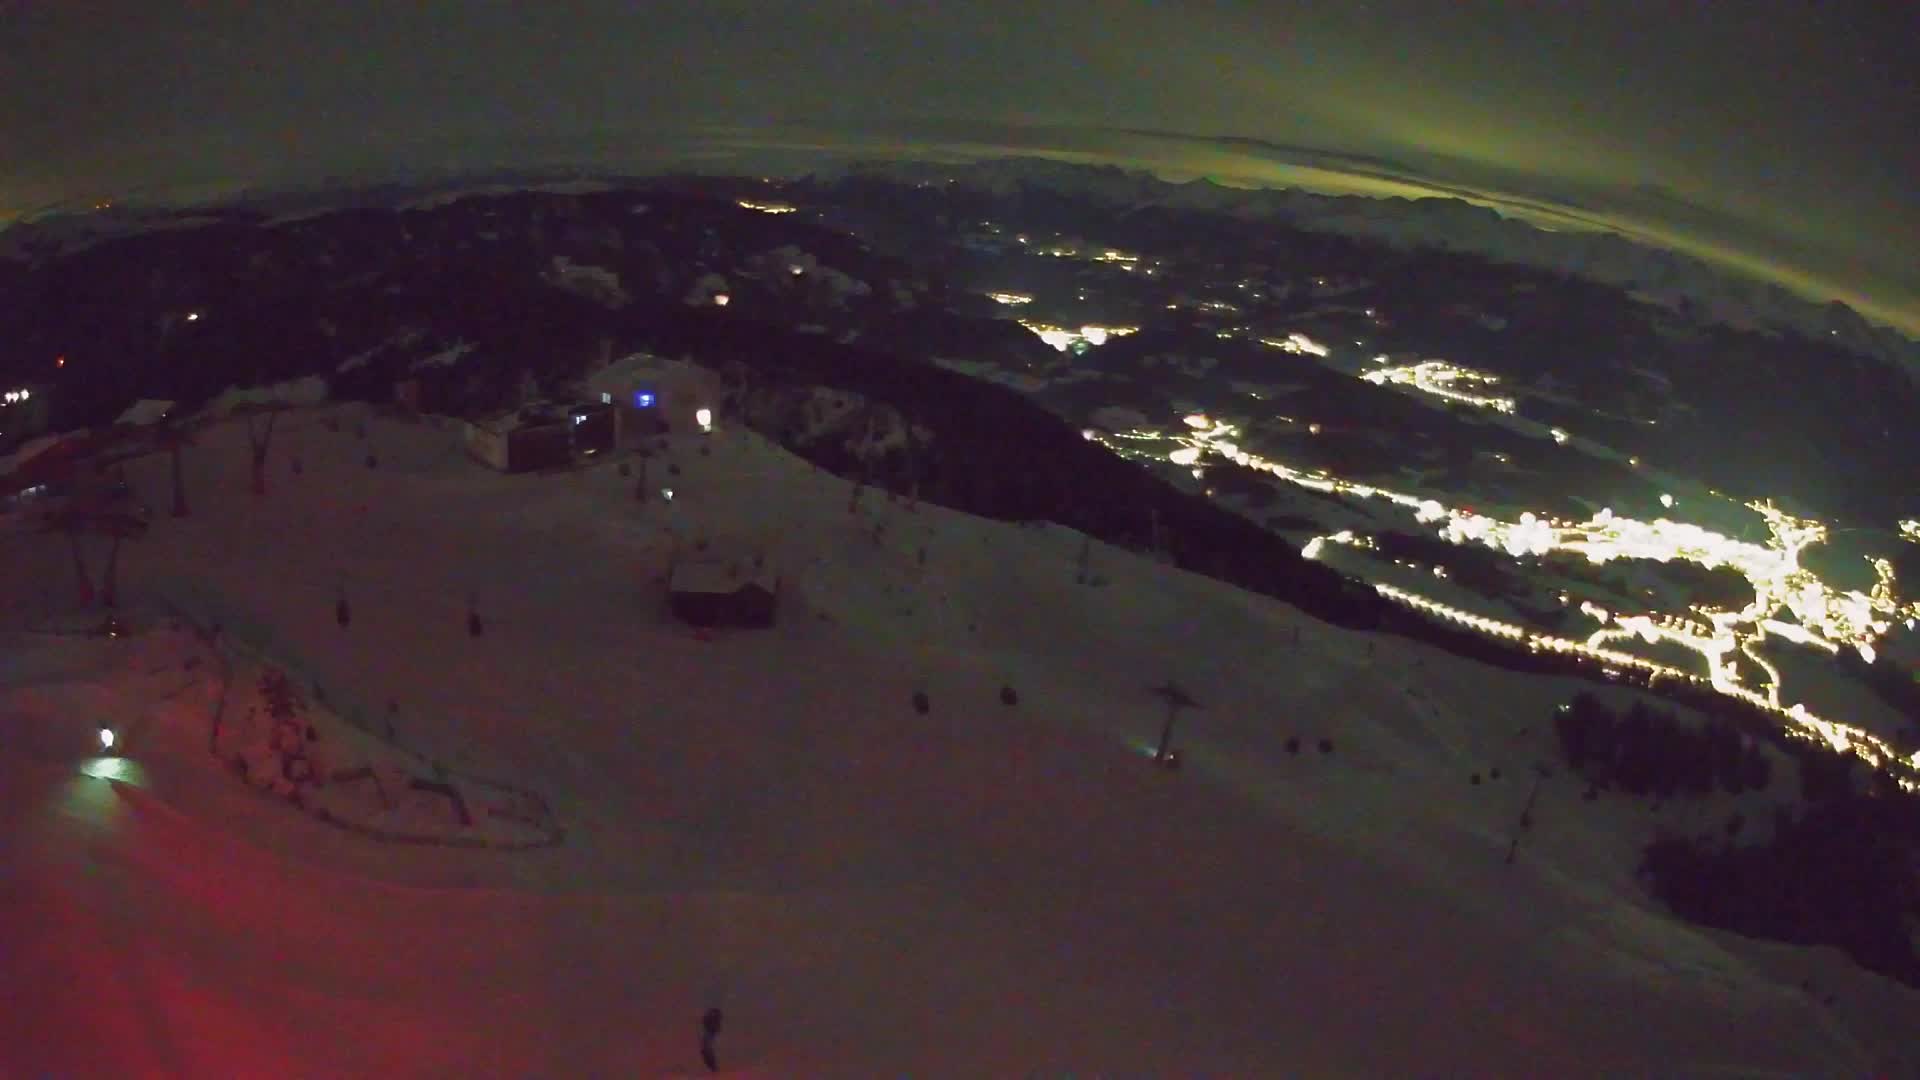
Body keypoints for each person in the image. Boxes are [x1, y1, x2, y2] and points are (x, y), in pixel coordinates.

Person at [700, 1007, 723, 1073]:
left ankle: (713, 1068)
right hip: (709, 1032)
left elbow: (717, 1027)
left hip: (710, 1032)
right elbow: (704, 1022)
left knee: (706, 1048)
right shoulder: (710, 1018)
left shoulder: (715, 1019)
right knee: (705, 1049)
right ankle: (713, 1068)